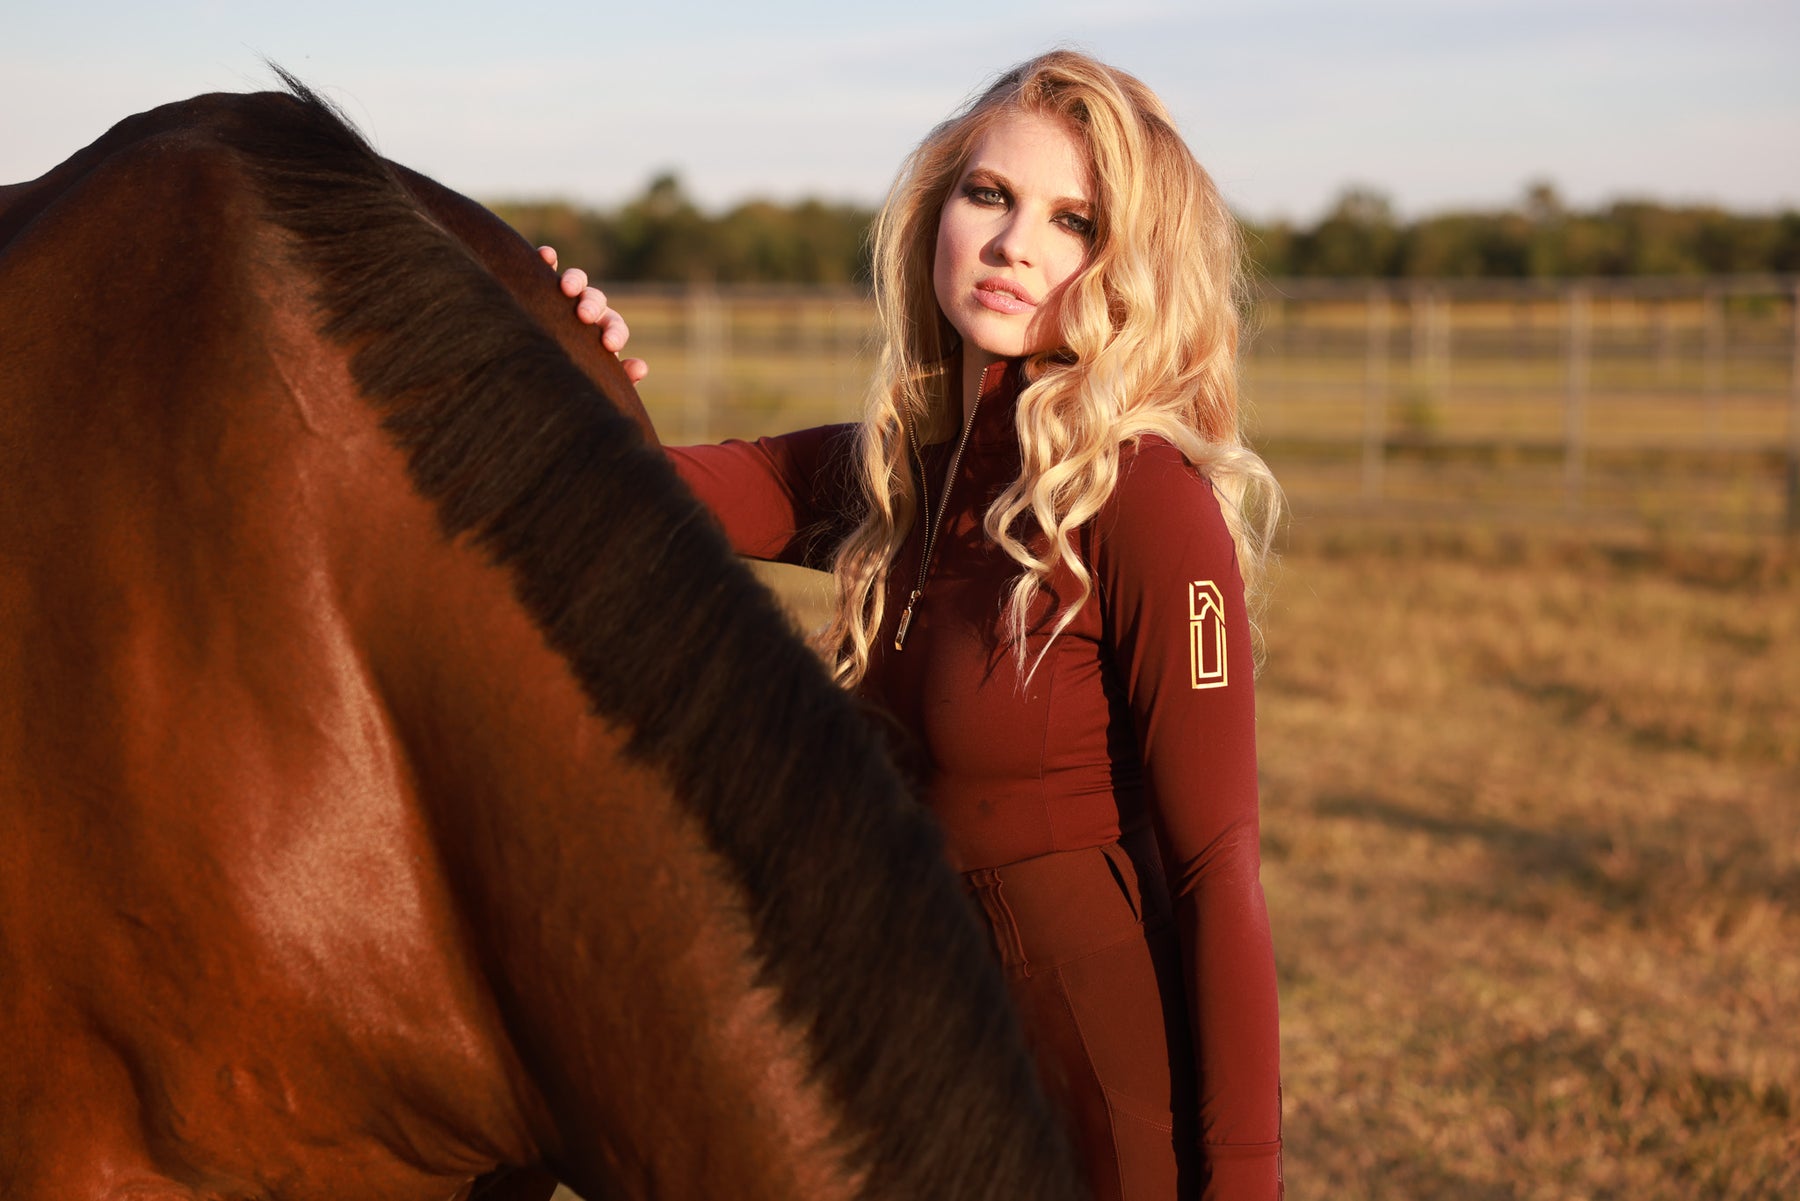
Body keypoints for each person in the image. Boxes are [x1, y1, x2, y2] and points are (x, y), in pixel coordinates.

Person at [549, 50, 1283, 1200]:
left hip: (1092, 1069)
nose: (1011, 244)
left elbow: (1216, 869)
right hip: (910, 1035)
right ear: (937, 207)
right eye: (988, 195)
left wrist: (1243, 1184)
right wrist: (555, 346)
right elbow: (624, 479)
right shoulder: (900, 471)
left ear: (1126, 264)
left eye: (1071, 220)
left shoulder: (1145, 498)